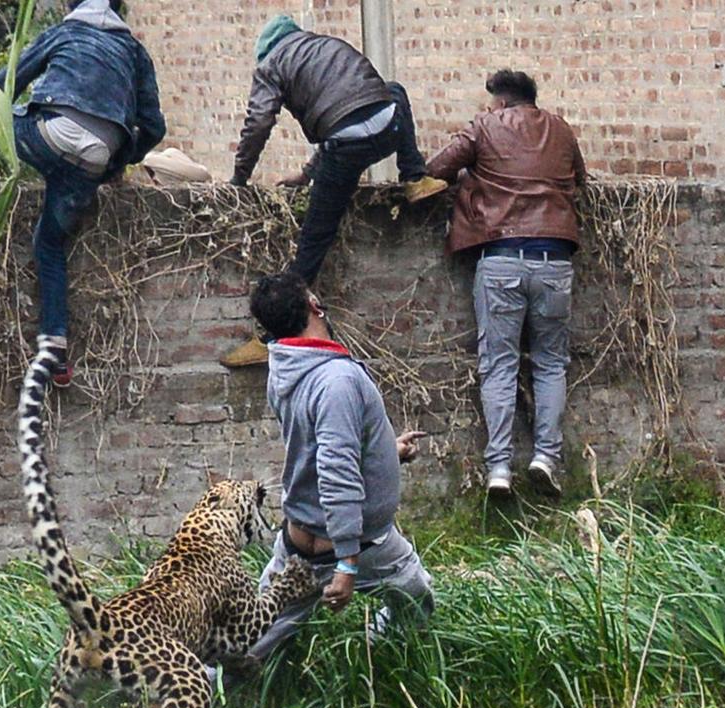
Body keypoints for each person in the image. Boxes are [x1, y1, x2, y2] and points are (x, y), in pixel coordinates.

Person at [0, 0, 165, 387]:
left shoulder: (67, 32)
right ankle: (56, 355)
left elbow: (3, 84)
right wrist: (117, 162)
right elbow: (153, 125)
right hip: (95, 158)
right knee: (49, 246)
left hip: (51, 134)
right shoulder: (134, 51)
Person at [222, 15, 447, 368]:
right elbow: (352, 107)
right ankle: (415, 177)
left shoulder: (271, 65)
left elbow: (260, 122)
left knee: (314, 239)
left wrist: (239, 178)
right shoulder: (326, 46)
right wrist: (307, 173)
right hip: (390, 126)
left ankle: (272, 338)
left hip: (347, 147)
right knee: (395, 90)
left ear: (266, 51)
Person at [241, 272, 434, 663]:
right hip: (357, 544)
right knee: (416, 601)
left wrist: (383, 453)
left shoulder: (286, 366)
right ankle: (378, 658)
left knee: (250, 642)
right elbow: (336, 473)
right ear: (314, 306)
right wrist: (348, 563)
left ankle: (195, 692)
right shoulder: (337, 381)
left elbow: (318, 448)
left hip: (298, 540)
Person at [424, 70, 588, 499]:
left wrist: (471, 180)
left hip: (501, 259)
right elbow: (580, 180)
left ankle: (499, 468)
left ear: (499, 103)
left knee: (499, 364)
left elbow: (436, 169)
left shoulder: (484, 126)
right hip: (555, 259)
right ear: (531, 100)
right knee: (550, 363)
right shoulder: (561, 130)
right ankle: (545, 458)